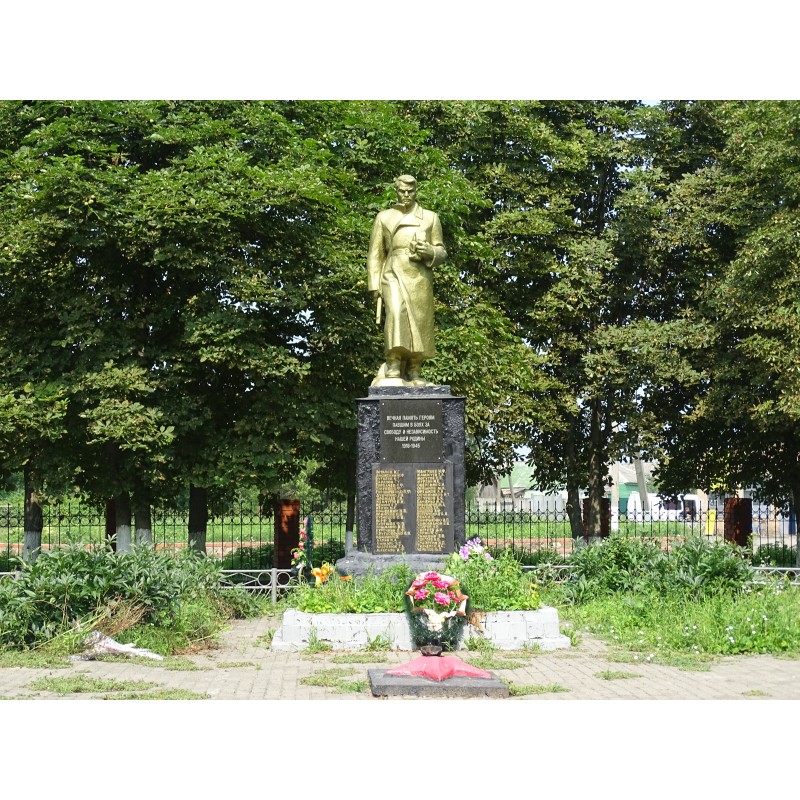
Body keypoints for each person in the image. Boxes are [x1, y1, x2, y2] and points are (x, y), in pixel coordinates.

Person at [367, 175, 447, 386]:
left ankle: (414, 368)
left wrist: (430, 251)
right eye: (402, 191)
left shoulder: (430, 217)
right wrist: (374, 284)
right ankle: (393, 361)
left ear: (416, 192)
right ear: (396, 191)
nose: (406, 195)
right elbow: (375, 253)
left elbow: (441, 251)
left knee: (420, 320)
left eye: (410, 191)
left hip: (419, 276)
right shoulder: (384, 217)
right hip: (393, 272)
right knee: (395, 312)